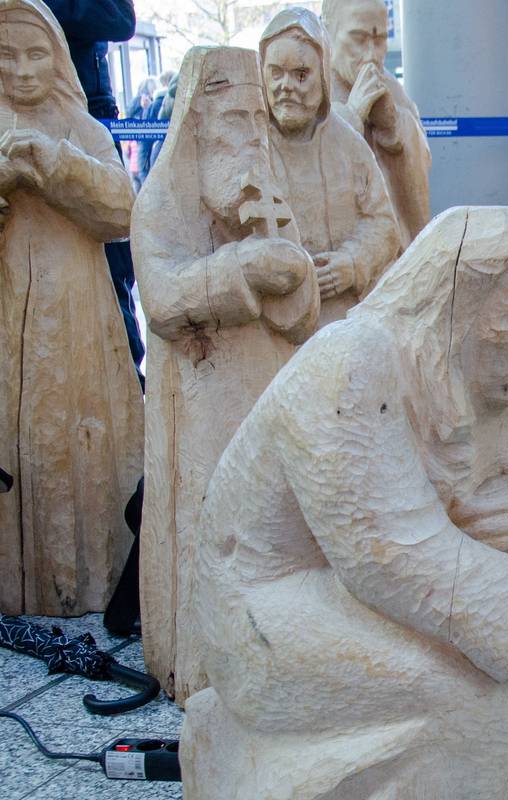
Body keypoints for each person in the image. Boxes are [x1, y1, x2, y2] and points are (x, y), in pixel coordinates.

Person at [182, 207, 508, 799]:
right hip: (264, 610)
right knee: (472, 695)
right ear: (456, 310)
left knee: (486, 680)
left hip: (376, 597)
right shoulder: (351, 360)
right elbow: (384, 551)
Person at [135, 46, 320, 700]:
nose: (248, 133)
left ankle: (279, 652)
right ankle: (208, 669)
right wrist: (242, 272)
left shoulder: (269, 192)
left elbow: (303, 313)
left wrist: (293, 278)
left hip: (272, 391)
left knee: (275, 526)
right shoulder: (162, 199)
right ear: (198, 119)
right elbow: (160, 297)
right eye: (231, 117)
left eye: (254, 117)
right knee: (216, 530)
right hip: (207, 401)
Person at [0, 0, 142, 615]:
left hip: (79, 318)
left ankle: (91, 577)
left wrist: (57, 168)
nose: (23, 71)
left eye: (36, 55)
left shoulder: (86, 131)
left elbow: (120, 211)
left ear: (58, 59)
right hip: (8, 319)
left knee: (79, 438)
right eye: (7, 56)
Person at [259, 8, 398, 328]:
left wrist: (353, 263)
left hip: (341, 320)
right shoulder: (250, 149)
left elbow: (383, 224)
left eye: (301, 74)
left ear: (322, 77)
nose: (286, 86)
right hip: (273, 325)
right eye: (276, 73)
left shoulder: (348, 145)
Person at [45, 0, 144, 374]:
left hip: (89, 115)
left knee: (112, 261)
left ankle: (127, 379)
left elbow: (120, 18)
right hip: (29, 118)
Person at [322, 0, 431, 247]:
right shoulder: (313, 88)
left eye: (380, 40)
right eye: (358, 39)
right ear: (328, 32)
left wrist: (395, 128)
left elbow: (423, 158)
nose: (371, 55)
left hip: (393, 249)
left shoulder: (392, 88)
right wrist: (352, 115)